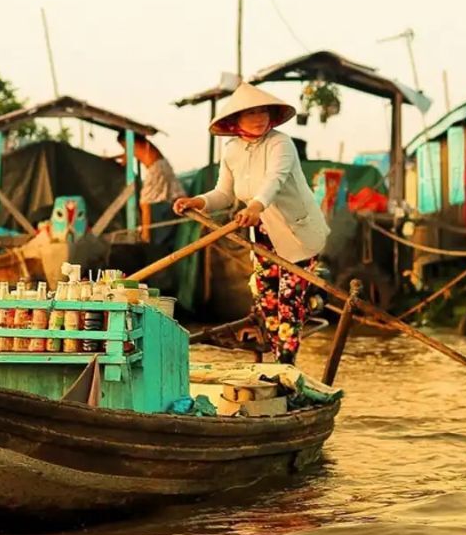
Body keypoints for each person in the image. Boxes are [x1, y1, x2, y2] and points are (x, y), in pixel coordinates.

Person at [173, 83, 330, 364]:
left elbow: (274, 181)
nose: (259, 118)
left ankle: (285, 368)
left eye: (263, 112)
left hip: (298, 234)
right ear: (236, 120)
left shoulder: (281, 144)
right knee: (267, 302)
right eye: (251, 113)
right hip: (263, 235)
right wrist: (197, 202)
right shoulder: (232, 150)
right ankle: (276, 358)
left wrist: (256, 207)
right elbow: (224, 193)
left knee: (288, 306)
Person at [117, 134, 186, 243]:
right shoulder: (141, 144)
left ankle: (146, 236)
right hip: (164, 165)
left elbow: (125, 160)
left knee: (145, 202)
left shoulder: (133, 143)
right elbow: (126, 156)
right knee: (178, 197)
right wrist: (113, 157)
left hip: (155, 169)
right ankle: (198, 216)